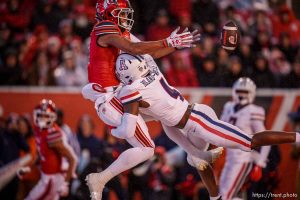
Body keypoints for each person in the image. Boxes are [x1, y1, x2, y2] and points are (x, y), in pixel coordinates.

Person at [82, 1, 222, 200]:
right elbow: (134, 48)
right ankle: (101, 176)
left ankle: (196, 154)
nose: (126, 17)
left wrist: (173, 46)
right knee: (147, 148)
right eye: (121, 13)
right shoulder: (105, 27)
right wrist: (167, 42)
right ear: (108, 14)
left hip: (117, 94)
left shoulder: (118, 32)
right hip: (110, 97)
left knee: (162, 114)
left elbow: (148, 53)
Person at [114, 53, 300, 179]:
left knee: (247, 142)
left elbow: (129, 126)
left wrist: (114, 123)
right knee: (197, 159)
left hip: (197, 120)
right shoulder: (152, 73)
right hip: (192, 117)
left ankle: (297, 137)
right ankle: (214, 195)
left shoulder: (132, 91)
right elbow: (141, 48)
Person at [219, 77, 271, 200]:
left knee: (226, 196)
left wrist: (260, 162)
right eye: (239, 92)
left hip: (243, 159)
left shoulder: (254, 111)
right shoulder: (228, 107)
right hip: (229, 157)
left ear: (251, 93)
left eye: (245, 92)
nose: (242, 95)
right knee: (221, 194)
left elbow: (266, 139)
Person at [22, 99, 77, 200]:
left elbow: (72, 159)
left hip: (53, 178)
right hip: (46, 175)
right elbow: (42, 154)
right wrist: (29, 168)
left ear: (53, 117)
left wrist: (66, 184)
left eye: (46, 116)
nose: (42, 119)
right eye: (40, 115)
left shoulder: (53, 135)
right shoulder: (38, 129)